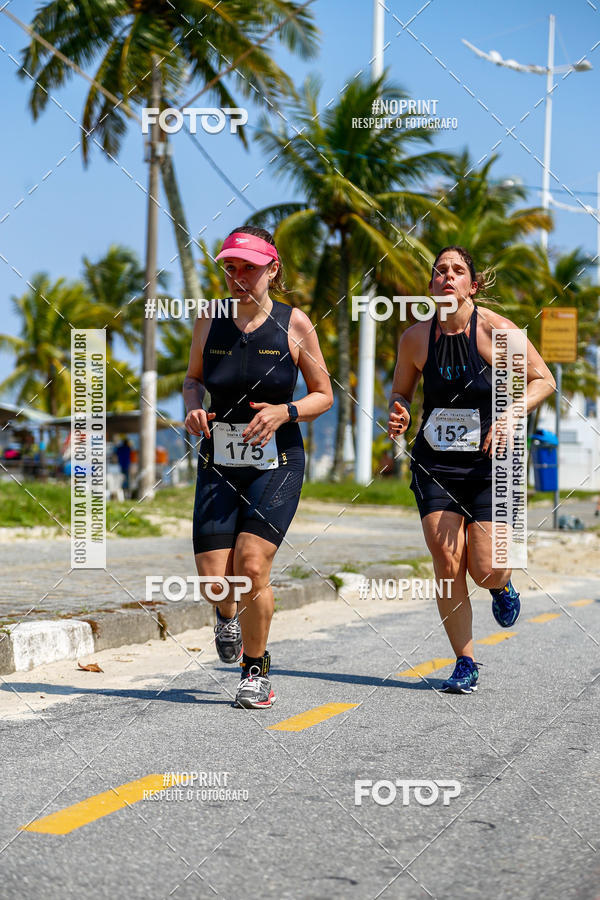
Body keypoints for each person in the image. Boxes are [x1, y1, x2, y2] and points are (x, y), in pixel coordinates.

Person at [387, 246, 556, 694]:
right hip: (436, 463)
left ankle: (502, 587)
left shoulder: (496, 332)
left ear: (472, 285)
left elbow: (544, 380)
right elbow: (401, 392)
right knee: (447, 562)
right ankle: (465, 661)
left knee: (484, 569)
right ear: (430, 286)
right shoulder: (416, 339)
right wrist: (399, 413)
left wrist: (510, 414)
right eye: (439, 271)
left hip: (490, 465)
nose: (447, 277)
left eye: (458, 271)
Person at [183, 226, 333, 709]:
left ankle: (256, 671)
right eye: (230, 267)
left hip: (278, 461)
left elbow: (323, 395)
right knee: (214, 581)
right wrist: (193, 406)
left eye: (248, 267)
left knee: (251, 565)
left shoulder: (295, 324)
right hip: (219, 458)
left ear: (273, 269)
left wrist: (283, 411)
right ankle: (226, 616)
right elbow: (192, 379)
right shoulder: (210, 318)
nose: (237, 276)